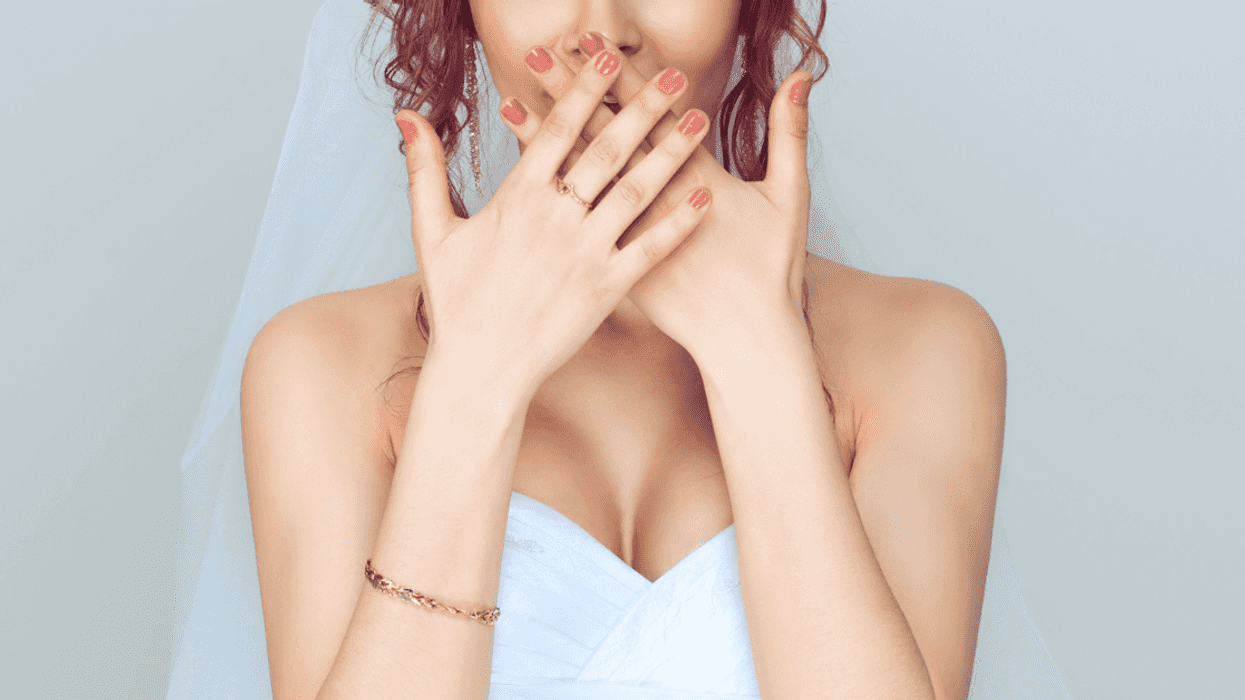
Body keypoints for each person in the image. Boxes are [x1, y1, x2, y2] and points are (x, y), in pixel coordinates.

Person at [168, 1, 1072, 698]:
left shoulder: (923, 349)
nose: (600, 31)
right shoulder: (320, 367)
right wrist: (476, 382)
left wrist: (758, 355)